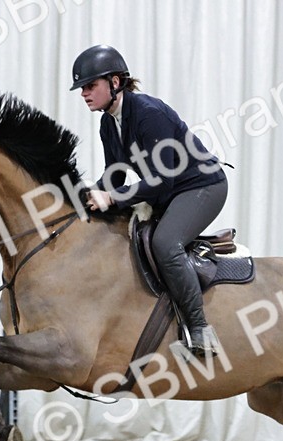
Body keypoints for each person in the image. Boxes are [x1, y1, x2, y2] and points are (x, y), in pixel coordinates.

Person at [71, 45, 227, 357]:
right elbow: (113, 177)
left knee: (165, 243)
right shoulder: (108, 123)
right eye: (82, 89)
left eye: (90, 86)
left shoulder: (148, 114)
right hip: (169, 191)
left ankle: (199, 329)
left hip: (202, 187)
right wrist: (79, 199)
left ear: (115, 82)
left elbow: (160, 180)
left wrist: (111, 197)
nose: (84, 94)